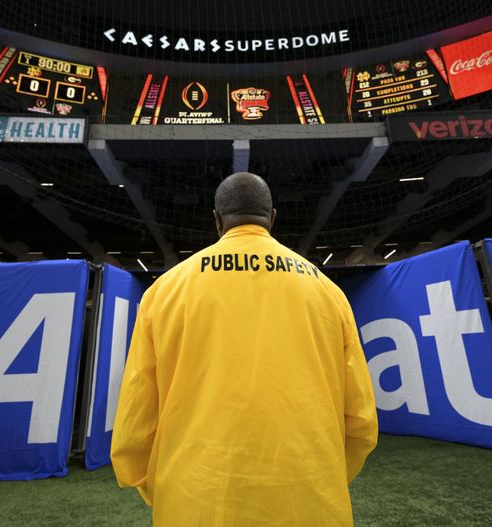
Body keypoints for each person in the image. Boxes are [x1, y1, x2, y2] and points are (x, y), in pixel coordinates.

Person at [111, 172, 378, 526]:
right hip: (310, 501)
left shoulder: (164, 292)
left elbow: (136, 417)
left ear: (217, 220)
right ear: (272, 218)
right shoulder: (329, 293)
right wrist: (320, 479)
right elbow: (360, 420)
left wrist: (162, 488)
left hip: (195, 501)